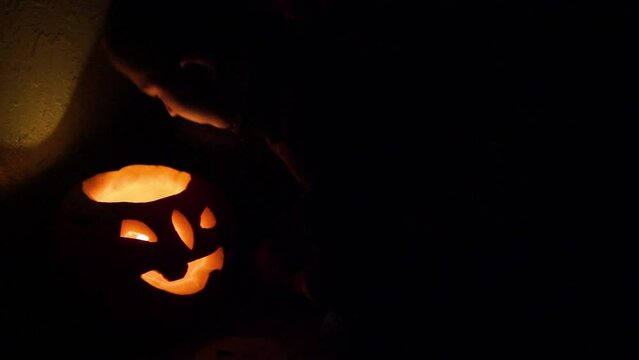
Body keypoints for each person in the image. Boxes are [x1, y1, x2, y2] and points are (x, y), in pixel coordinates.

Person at [101, 0, 422, 357]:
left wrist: (295, 283)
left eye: (159, 94)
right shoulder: (292, 67)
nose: (171, 110)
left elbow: (361, 262)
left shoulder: (310, 120)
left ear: (199, 72)